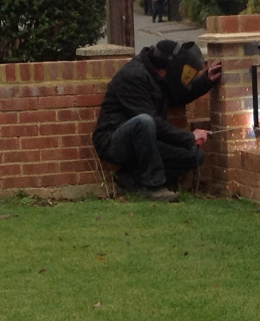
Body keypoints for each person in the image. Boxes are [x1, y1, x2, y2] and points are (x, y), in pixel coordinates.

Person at [92, 40, 222, 201]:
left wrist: (206, 80)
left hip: (145, 141)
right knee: (144, 121)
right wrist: (189, 137)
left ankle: (131, 178)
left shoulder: (159, 77)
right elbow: (153, 121)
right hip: (113, 142)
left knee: (194, 156)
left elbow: (179, 95)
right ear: (168, 66)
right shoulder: (133, 76)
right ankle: (153, 186)